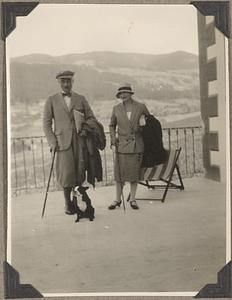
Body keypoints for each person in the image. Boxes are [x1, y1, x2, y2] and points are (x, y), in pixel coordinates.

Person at [43, 70, 100, 215]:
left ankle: (78, 203)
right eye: (63, 81)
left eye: (69, 81)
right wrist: (52, 142)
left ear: (72, 82)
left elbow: (91, 118)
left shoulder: (81, 99)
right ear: (59, 82)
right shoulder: (51, 100)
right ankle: (67, 204)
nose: (66, 84)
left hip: (80, 142)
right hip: (61, 143)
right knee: (66, 174)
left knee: (79, 174)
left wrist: (85, 127)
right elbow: (46, 123)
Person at [108, 83, 150, 210]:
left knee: (133, 174)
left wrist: (142, 128)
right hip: (122, 146)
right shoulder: (116, 108)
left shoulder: (141, 107)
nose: (123, 95)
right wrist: (112, 137)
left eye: (125, 92)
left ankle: (132, 199)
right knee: (119, 175)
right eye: (121, 93)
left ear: (130, 93)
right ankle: (117, 199)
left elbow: (150, 122)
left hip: (137, 145)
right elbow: (111, 125)